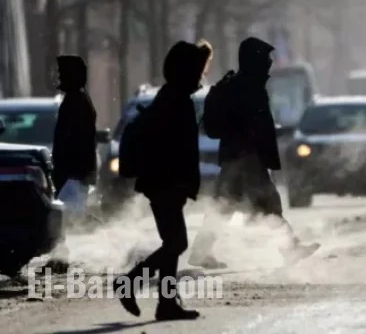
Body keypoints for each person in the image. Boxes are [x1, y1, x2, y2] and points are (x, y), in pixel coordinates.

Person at [188, 37, 319, 269]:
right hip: (245, 160)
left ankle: (200, 252)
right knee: (267, 204)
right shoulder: (248, 88)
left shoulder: (243, 85)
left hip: (237, 159)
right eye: (265, 58)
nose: (269, 63)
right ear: (254, 59)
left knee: (224, 206)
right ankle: (290, 249)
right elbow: (256, 127)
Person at [113, 41, 209, 321]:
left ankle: (167, 304)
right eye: (197, 70)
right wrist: (181, 181)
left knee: (173, 241)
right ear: (184, 71)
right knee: (176, 242)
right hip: (166, 183)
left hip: (165, 183)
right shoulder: (175, 101)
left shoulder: (172, 97)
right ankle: (130, 282)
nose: (200, 77)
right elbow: (173, 148)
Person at [48, 55, 98, 267]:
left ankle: (60, 260)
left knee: (66, 219)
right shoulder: (76, 99)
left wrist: (73, 171)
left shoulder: (77, 101)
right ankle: (59, 258)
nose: (60, 77)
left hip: (74, 173)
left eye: (64, 73)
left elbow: (76, 142)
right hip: (72, 172)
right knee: (67, 218)